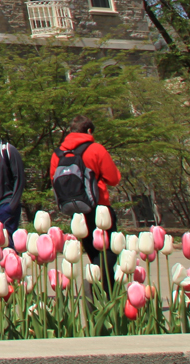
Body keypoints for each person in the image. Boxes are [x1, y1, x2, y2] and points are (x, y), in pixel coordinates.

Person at [54, 115, 123, 285]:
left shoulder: (58, 154)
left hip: (76, 211)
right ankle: (93, 284)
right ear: (89, 130)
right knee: (109, 251)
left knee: (93, 252)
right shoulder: (96, 149)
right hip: (100, 208)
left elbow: (54, 181)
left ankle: (102, 293)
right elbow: (113, 178)